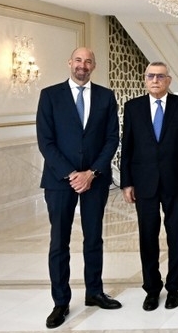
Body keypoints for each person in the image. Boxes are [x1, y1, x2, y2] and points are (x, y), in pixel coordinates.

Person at [36, 47, 122, 329]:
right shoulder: (50, 95)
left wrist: (92, 173)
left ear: (93, 66)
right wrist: (73, 174)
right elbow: (46, 141)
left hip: (95, 180)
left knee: (94, 237)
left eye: (88, 61)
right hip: (59, 180)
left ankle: (94, 291)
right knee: (59, 241)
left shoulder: (106, 97)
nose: (82, 65)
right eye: (78, 60)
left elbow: (112, 138)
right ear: (69, 63)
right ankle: (60, 302)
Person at [120, 62, 178, 311]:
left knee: (176, 236)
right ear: (145, 79)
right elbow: (127, 146)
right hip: (144, 183)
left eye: (160, 76)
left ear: (168, 80)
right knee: (147, 237)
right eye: (151, 76)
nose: (155, 80)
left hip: (176, 182)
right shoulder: (132, 107)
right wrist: (126, 182)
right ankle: (152, 289)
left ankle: (175, 288)